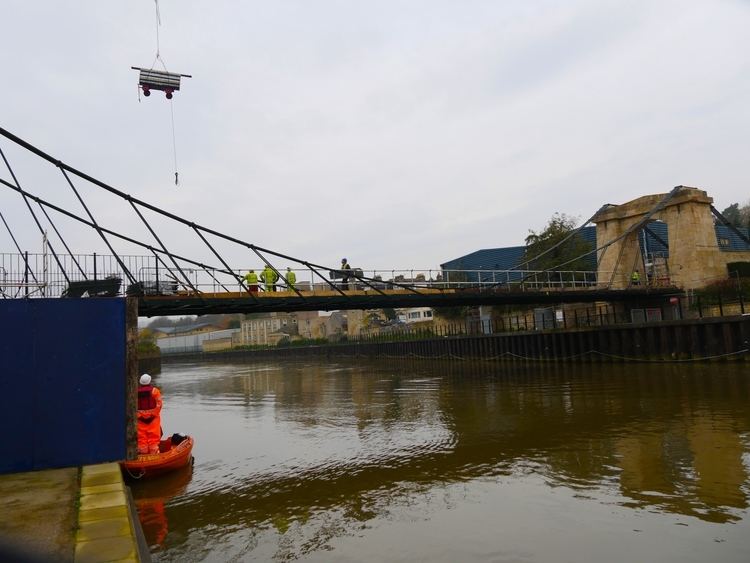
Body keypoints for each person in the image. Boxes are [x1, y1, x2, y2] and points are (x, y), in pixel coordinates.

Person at [137, 374, 163, 455]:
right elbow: (159, 404)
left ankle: (143, 455)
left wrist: (139, 415)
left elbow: (132, 405)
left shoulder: (134, 392)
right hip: (153, 419)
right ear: (150, 381)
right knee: (154, 438)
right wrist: (153, 414)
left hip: (139, 418)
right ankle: (154, 454)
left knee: (141, 438)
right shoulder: (155, 391)